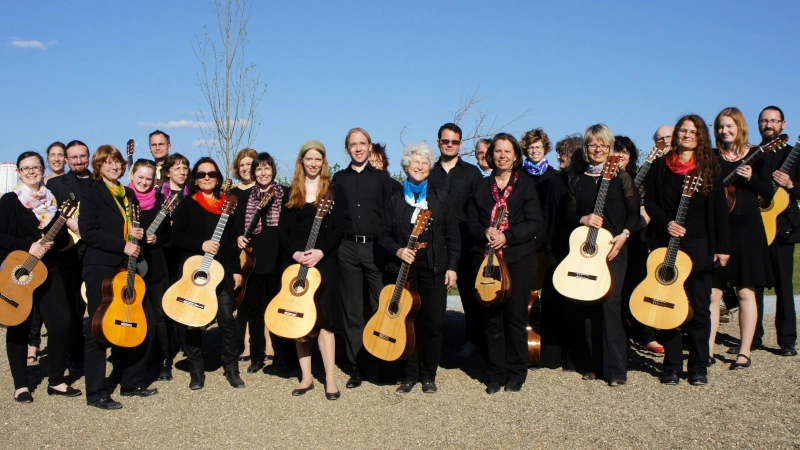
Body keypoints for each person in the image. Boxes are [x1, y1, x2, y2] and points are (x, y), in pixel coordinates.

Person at [644, 115, 730, 385]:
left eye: (693, 131)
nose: (687, 135)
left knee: (700, 306)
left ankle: (698, 365)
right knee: (666, 302)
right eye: (683, 130)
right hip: (665, 241)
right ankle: (671, 364)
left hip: (698, 244)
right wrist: (666, 223)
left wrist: (721, 247)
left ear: (701, 136)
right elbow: (652, 203)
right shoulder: (660, 166)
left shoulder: (709, 168)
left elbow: (718, 211)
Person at [79, 145, 157, 409]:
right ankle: (96, 392)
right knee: (99, 328)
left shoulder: (129, 196)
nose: (114, 167)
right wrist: (122, 245)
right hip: (100, 267)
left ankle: (131, 381)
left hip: (128, 268)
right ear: (98, 166)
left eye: (117, 163)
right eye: (108, 163)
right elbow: (88, 232)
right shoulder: (91, 193)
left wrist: (140, 240)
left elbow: (137, 234)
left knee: (141, 322)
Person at [378, 141, 459, 394]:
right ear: (406, 166)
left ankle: (429, 374)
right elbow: (382, 234)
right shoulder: (394, 197)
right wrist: (398, 250)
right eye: (416, 162)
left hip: (433, 266)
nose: (420, 166)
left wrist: (452, 267)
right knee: (405, 322)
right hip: (403, 268)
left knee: (433, 322)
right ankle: (409, 374)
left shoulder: (440, 196)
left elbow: (453, 236)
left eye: (425, 163)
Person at [0, 151, 80, 403]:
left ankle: (56, 380)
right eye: (26, 168)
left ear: (43, 170)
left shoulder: (52, 202)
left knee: (61, 321)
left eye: (36, 167)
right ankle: (21, 385)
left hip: (49, 270)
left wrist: (57, 236)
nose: (31, 171)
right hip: (18, 271)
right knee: (18, 324)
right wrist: (28, 246)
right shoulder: (10, 200)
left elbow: (62, 238)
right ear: (19, 173)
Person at [467, 133, 542, 393]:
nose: (502, 155)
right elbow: (471, 222)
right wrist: (484, 232)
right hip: (487, 260)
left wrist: (507, 236)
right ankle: (495, 374)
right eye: (497, 151)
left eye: (507, 151)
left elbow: (534, 223)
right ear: (491, 155)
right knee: (491, 318)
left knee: (515, 317)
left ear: (515, 156)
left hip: (518, 258)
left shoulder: (526, 186)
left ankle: (516, 373)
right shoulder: (480, 187)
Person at [564, 124, 638, 387]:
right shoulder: (577, 179)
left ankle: (616, 369)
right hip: (587, 251)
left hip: (613, 251)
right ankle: (591, 364)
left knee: (609, 305)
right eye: (593, 145)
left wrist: (625, 234)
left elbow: (635, 214)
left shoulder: (621, 178)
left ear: (610, 148)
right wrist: (583, 217)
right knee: (587, 305)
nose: (598, 149)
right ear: (586, 148)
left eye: (603, 145)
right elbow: (568, 216)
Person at [278, 140, 344, 400]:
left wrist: (321, 251)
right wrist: (295, 253)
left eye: (318, 159)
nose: (313, 163)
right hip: (296, 261)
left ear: (324, 161)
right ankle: (306, 377)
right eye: (309, 159)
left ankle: (330, 378)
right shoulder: (291, 191)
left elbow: (339, 228)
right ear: (301, 161)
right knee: (298, 318)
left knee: (325, 321)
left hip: (323, 260)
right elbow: (282, 230)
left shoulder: (334, 191)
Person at [709, 107, 775, 370]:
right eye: (720, 127)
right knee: (713, 293)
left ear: (739, 127)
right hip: (719, 230)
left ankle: (744, 352)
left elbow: (769, 192)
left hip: (748, 231)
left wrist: (751, 179)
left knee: (746, 292)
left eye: (729, 126)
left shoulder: (757, 156)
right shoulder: (712, 157)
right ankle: (708, 350)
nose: (724, 131)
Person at [170, 157, 243, 390]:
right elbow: (175, 238)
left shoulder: (226, 204)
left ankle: (231, 368)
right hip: (195, 272)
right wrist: (200, 244)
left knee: (226, 320)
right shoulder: (188, 204)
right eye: (201, 174)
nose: (207, 178)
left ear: (218, 177)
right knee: (192, 321)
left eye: (211, 174)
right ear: (195, 178)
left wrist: (237, 270)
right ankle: (196, 370)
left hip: (221, 272)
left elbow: (232, 241)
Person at [333, 127, 397, 388]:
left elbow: (395, 216)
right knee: (352, 311)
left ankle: (382, 362)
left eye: (362, 143)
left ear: (370, 146)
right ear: (346, 149)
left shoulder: (384, 180)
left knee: (381, 307)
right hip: (347, 249)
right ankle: (357, 367)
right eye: (353, 144)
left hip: (376, 250)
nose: (358, 148)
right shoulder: (338, 179)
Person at [428, 123, 484, 359]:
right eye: (445, 141)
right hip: (435, 243)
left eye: (454, 141)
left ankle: (474, 341)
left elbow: (479, 209)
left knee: (471, 296)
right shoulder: (428, 171)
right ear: (438, 142)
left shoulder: (472, 173)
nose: (449, 145)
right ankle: (433, 346)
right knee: (434, 296)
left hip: (466, 241)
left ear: (461, 144)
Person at [46, 140, 94, 375]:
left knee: (99, 304)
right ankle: (75, 355)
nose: (78, 161)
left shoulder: (99, 182)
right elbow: (47, 215)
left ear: (88, 156)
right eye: (73, 157)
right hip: (69, 253)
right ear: (66, 160)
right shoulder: (55, 184)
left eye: (82, 156)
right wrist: (68, 222)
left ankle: (102, 348)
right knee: (74, 308)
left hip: (96, 252)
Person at [754, 106, 798, 356]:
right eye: (764, 121)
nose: (769, 125)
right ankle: (754, 336)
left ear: (783, 124)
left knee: (783, 284)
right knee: (754, 284)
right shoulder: (753, 155)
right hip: (755, 227)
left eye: (774, 121)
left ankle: (787, 339)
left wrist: (792, 184)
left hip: (784, 228)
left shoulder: (795, 154)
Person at [235, 152, 285, 373]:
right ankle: (257, 354)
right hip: (255, 260)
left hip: (278, 259)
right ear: (253, 173)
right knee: (256, 310)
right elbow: (237, 227)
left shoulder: (286, 194)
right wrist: (239, 236)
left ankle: (282, 354)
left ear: (273, 170)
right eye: (258, 169)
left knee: (278, 309)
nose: (263, 173)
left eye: (267, 168)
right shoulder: (248, 198)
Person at [615, 136, 663, 354]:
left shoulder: (639, 179)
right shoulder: (606, 178)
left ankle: (648, 335)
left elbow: (645, 214)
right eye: (617, 151)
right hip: (611, 241)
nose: (621, 155)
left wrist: (632, 226)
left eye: (625, 152)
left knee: (639, 288)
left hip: (636, 241)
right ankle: (620, 335)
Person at [128, 159, 173, 381]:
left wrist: (158, 237)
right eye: (140, 177)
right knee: (133, 311)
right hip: (129, 264)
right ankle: (134, 359)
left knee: (159, 313)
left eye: (149, 178)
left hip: (155, 262)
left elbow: (169, 235)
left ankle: (165, 359)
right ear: (132, 177)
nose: (145, 182)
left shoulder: (161, 200)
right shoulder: (123, 198)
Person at [231, 147, 258, 360]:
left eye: (249, 164)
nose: (246, 168)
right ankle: (246, 344)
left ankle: (267, 343)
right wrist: (237, 237)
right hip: (241, 249)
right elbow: (229, 224)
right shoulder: (233, 193)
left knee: (264, 297)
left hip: (262, 248)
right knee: (243, 299)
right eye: (242, 165)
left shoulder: (264, 189)